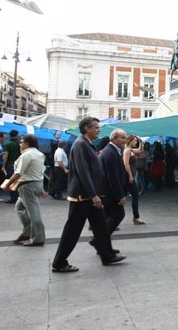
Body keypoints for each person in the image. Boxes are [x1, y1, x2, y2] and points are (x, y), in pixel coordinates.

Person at [52, 117, 126, 273]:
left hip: (91, 195)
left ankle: (107, 255)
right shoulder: (80, 145)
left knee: (101, 227)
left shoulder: (87, 144)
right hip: (82, 196)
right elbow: (83, 172)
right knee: (73, 230)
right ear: (87, 129)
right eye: (96, 127)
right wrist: (94, 195)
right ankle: (59, 262)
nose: (99, 130)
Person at [11, 135, 47, 247]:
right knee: (19, 207)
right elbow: (40, 172)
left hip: (27, 185)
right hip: (35, 183)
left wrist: (8, 184)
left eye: (22, 142)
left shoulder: (27, 155)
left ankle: (38, 238)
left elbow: (18, 173)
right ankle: (27, 233)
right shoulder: (40, 154)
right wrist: (41, 188)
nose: (20, 144)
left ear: (27, 143)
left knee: (34, 213)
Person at [99, 129, 128, 237]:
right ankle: (99, 240)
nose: (125, 140)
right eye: (122, 138)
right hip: (110, 193)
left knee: (108, 217)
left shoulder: (111, 150)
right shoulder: (110, 152)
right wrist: (120, 195)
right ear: (114, 138)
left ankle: (102, 245)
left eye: (125, 137)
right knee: (118, 215)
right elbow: (113, 177)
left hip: (107, 192)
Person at [123, 135, 145, 224]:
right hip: (127, 177)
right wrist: (130, 176)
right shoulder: (127, 150)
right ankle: (136, 217)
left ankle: (136, 217)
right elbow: (126, 163)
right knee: (135, 195)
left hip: (129, 176)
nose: (136, 142)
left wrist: (141, 141)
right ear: (130, 141)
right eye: (135, 141)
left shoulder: (131, 150)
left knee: (122, 196)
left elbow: (140, 150)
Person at [2, 130, 21, 203]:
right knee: (19, 180)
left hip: (10, 164)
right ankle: (19, 197)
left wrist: (3, 165)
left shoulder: (7, 144)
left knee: (12, 180)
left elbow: (5, 155)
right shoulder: (20, 144)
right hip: (19, 164)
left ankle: (14, 198)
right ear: (17, 135)